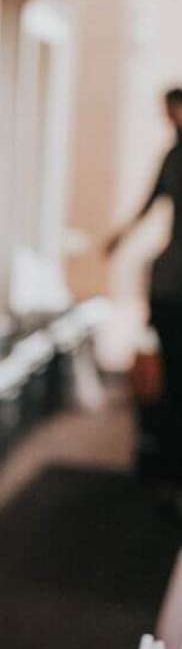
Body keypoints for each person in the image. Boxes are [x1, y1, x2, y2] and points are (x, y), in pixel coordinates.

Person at [105, 87, 182, 507]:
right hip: (170, 283)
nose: (171, 119)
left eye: (173, 112)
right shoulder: (172, 155)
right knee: (169, 375)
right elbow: (151, 202)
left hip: (173, 279)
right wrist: (121, 237)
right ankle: (168, 464)